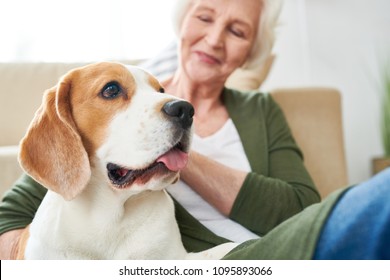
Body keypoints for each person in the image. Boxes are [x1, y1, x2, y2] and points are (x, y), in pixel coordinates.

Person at [0, 0, 389, 260]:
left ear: (250, 51)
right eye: (205, 17)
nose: (215, 39)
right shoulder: (102, 114)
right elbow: (14, 217)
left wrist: (176, 151)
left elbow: (303, 210)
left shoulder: (261, 110)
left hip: (271, 249)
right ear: (183, 23)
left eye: (237, 31)